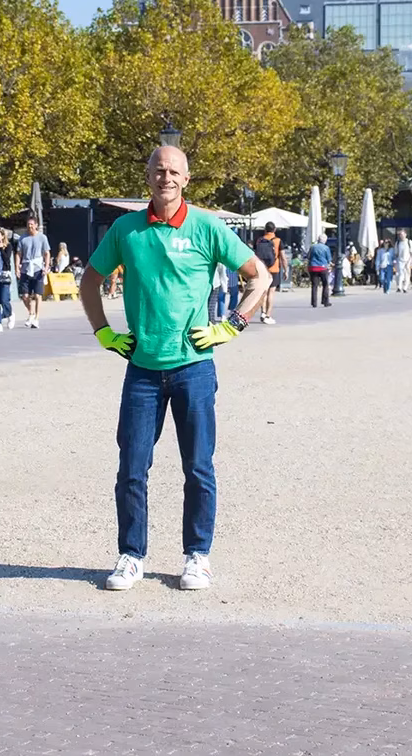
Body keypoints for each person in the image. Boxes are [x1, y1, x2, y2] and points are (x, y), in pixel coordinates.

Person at [80, 145, 270, 593]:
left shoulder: (207, 226)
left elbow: (258, 275)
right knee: (132, 465)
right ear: (147, 176)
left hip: (194, 366)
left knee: (198, 467)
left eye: (174, 172)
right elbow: (90, 280)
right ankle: (131, 556)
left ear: (186, 179)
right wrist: (103, 333)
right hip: (142, 368)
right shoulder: (127, 230)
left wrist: (233, 325)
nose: (166, 177)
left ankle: (197, 556)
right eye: (158, 170)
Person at [15, 215, 50, 329]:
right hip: (26, 268)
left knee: (38, 295)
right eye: (28, 224)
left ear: (36, 225)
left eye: (32, 224)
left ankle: (36, 318)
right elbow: (18, 254)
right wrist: (17, 268)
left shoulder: (42, 238)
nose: (30, 226)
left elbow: (46, 253)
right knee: (25, 295)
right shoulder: (23, 238)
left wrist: (46, 266)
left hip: (38, 268)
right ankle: (31, 312)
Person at [255, 221, 285, 325]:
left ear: (265, 229)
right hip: (274, 269)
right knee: (271, 293)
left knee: (264, 292)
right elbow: (283, 257)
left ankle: (262, 312)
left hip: (262, 269)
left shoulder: (259, 240)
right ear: (275, 229)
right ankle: (268, 315)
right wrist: (285, 269)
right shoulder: (278, 241)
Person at [308, 233, 332, 308]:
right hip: (323, 268)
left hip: (313, 267)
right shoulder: (326, 248)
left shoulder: (312, 247)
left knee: (314, 285)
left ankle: (314, 303)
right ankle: (325, 301)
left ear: (318, 240)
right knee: (325, 284)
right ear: (325, 241)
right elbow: (329, 259)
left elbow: (308, 256)